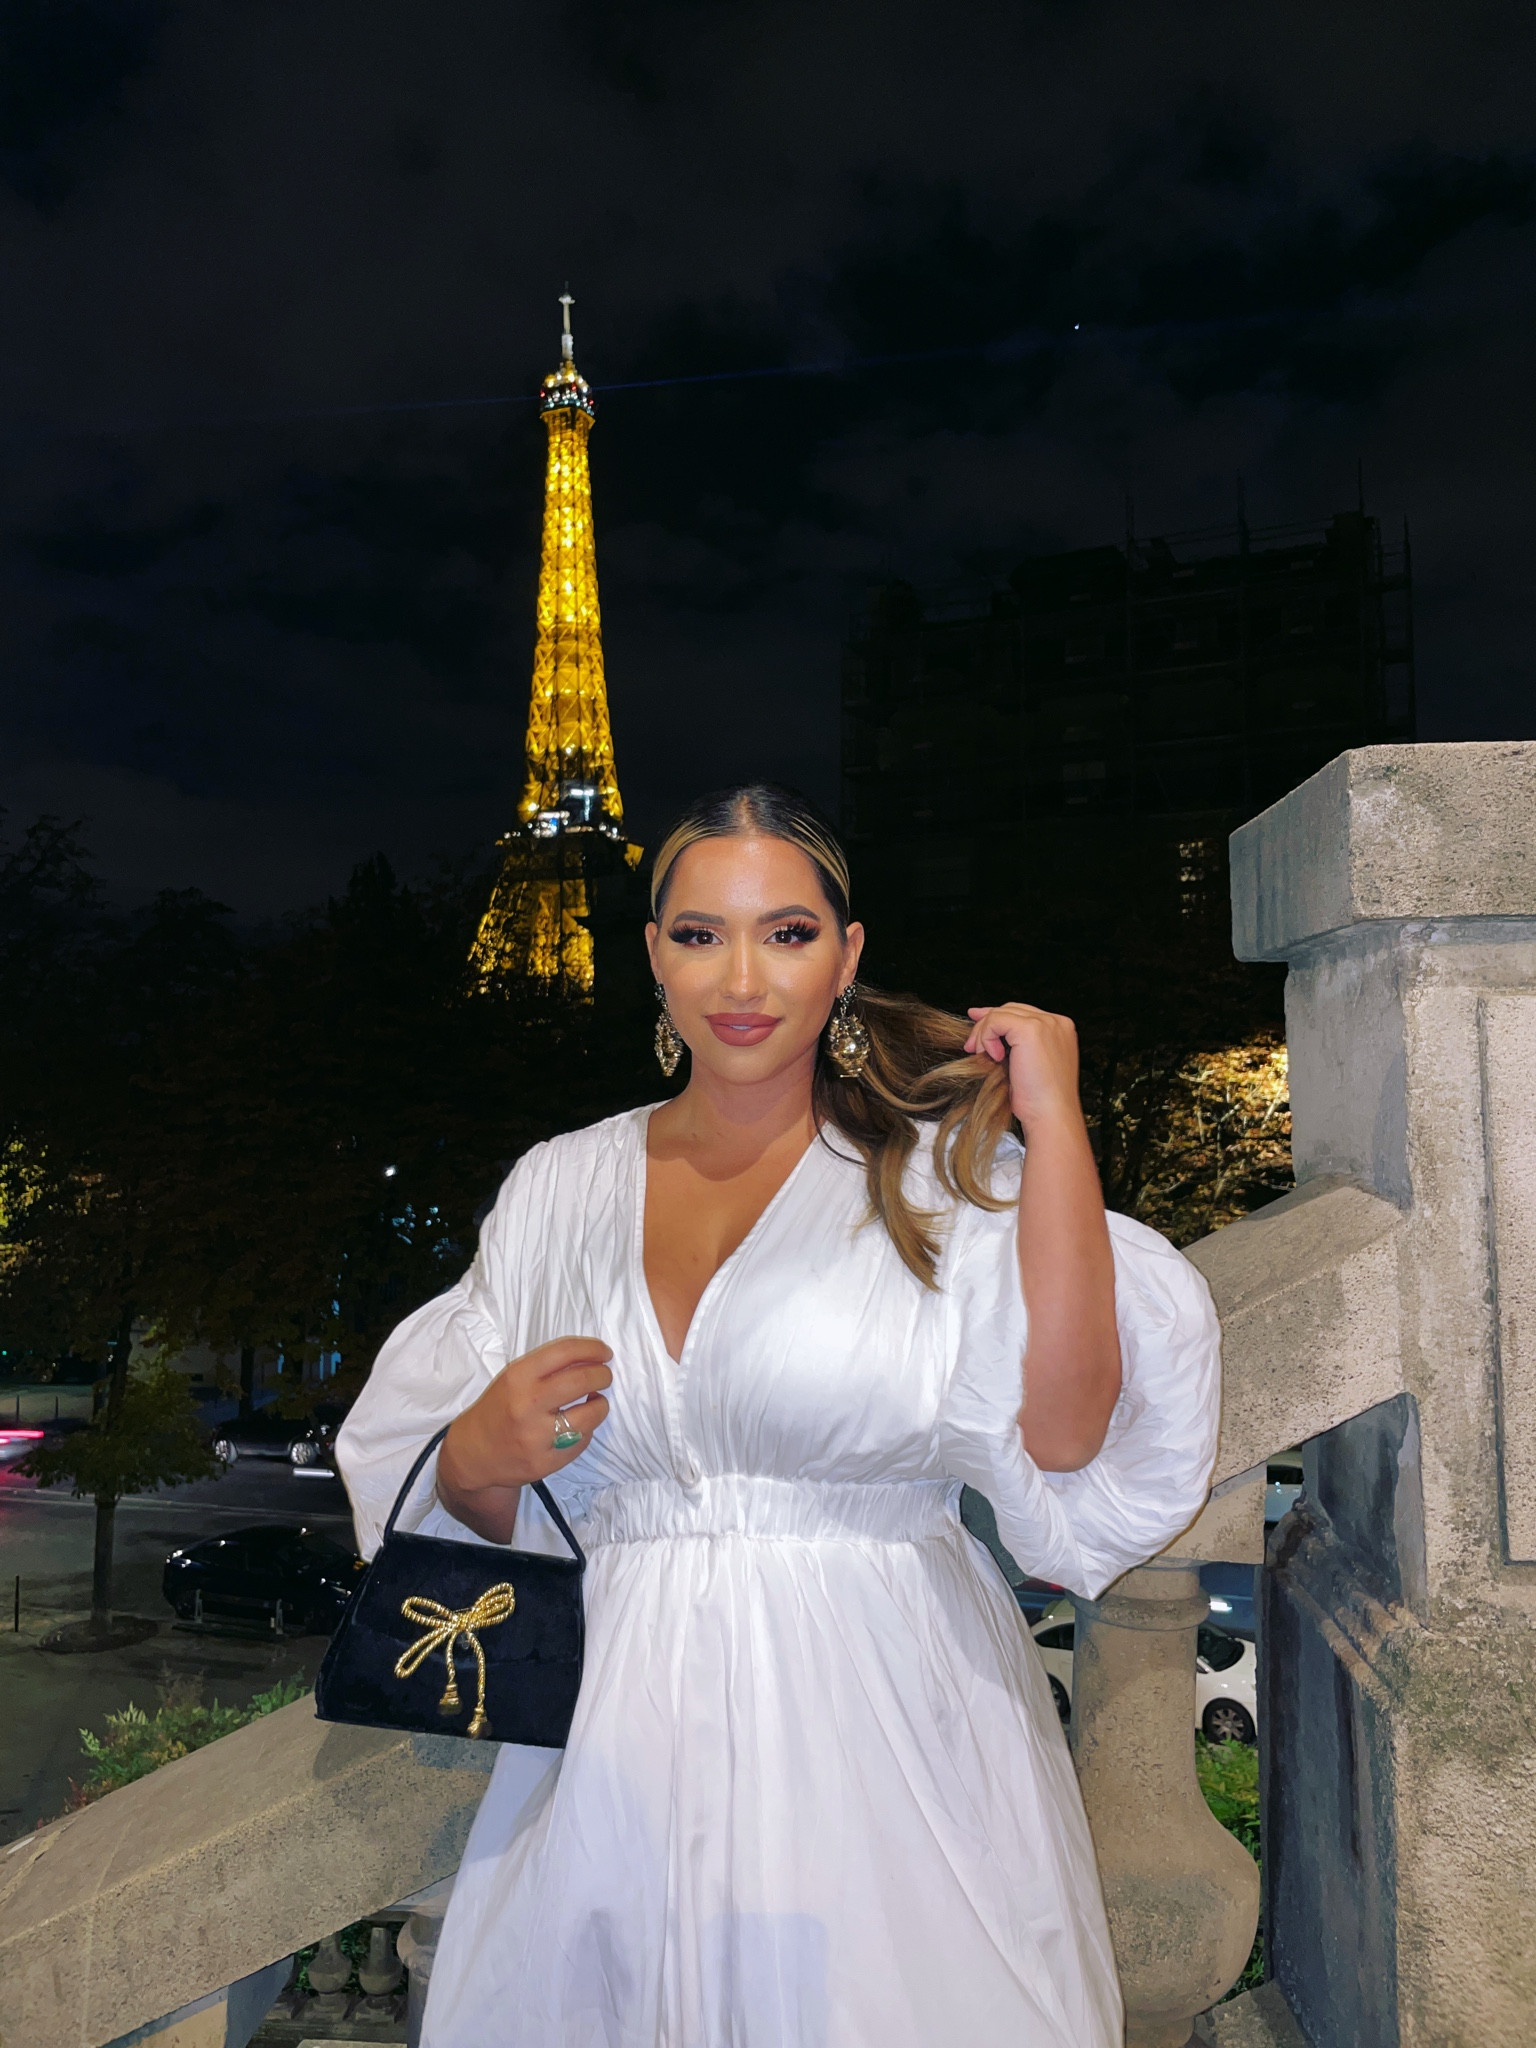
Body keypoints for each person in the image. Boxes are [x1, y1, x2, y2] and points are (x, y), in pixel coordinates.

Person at [336, 783, 1220, 2048]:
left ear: (848, 955)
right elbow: (470, 1514)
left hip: (884, 1713)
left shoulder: (931, 1176)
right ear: (651, 953)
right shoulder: (559, 1185)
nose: (740, 974)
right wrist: (476, 1455)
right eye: (699, 933)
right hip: (620, 1738)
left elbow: (1071, 1435)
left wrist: (1057, 1121)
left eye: (788, 932)